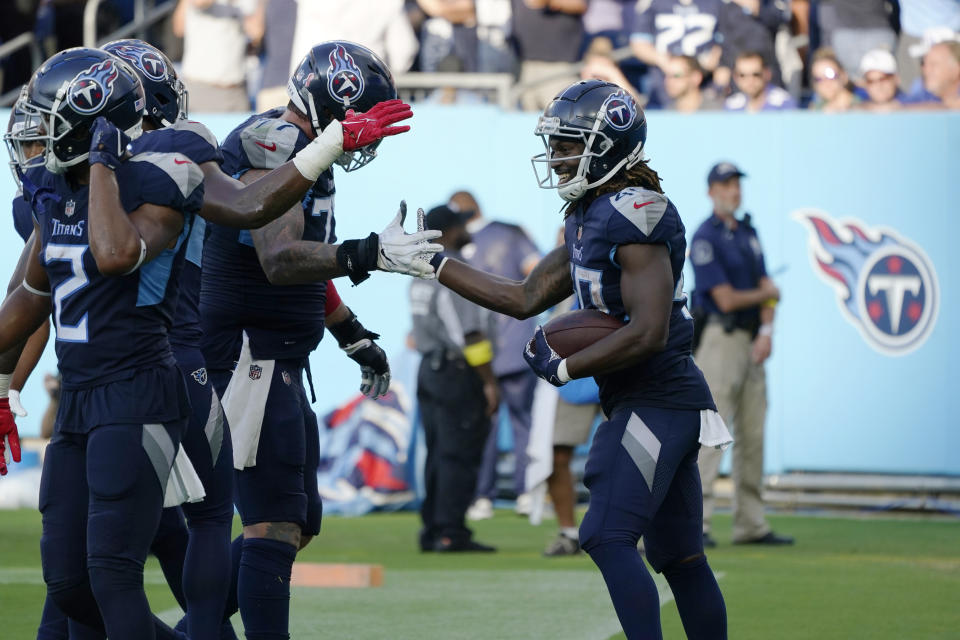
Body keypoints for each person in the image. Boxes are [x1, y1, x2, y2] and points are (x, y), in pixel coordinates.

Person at [422, 79, 730, 638]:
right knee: (680, 558)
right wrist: (436, 263)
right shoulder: (588, 214)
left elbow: (650, 331)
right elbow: (523, 297)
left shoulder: (636, 212)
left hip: (657, 400)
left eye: (570, 143)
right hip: (651, 401)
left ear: (608, 144)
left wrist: (568, 367)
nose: (559, 156)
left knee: (605, 534)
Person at [199, 41, 441, 639]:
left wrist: (351, 334)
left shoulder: (307, 153)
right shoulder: (275, 141)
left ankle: (189, 628)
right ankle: (192, 629)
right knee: (271, 524)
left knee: (299, 520)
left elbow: (304, 265)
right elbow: (279, 259)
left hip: (278, 353)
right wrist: (368, 254)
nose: (370, 136)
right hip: (249, 355)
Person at [1, 47, 203, 639]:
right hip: (80, 402)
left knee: (112, 574)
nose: (33, 144)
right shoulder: (49, 190)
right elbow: (29, 300)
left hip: (138, 393)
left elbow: (116, 256)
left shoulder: (153, 180)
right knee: (67, 582)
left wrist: (102, 165)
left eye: (47, 123)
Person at [689, 161, 793, 549]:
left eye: (736, 184)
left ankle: (751, 523)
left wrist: (767, 329)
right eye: (726, 185)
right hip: (721, 338)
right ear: (711, 190)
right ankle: (695, 524)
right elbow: (726, 299)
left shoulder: (748, 232)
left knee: (753, 433)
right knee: (710, 434)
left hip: (751, 338)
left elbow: (765, 288)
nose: (734, 191)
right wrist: (767, 295)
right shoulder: (705, 236)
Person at [446, 190, 541, 521]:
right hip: (515, 344)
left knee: (485, 424)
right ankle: (525, 491)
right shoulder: (511, 233)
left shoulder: (456, 244)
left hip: (480, 350)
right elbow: (539, 273)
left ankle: (482, 496)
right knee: (522, 422)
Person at [410, 205, 500, 552]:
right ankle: (450, 532)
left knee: (438, 453)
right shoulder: (452, 269)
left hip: (430, 369)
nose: (467, 229)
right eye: (460, 224)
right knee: (457, 454)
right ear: (447, 231)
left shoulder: (419, 269)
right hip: (456, 372)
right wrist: (490, 382)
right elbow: (470, 334)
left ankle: (433, 529)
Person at [724, 50, 796, 111]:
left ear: (767, 74)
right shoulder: (731, 106)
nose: (750, 80)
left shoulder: (783, 104)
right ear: (735, 77)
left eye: (756, 74)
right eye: (742, 75)